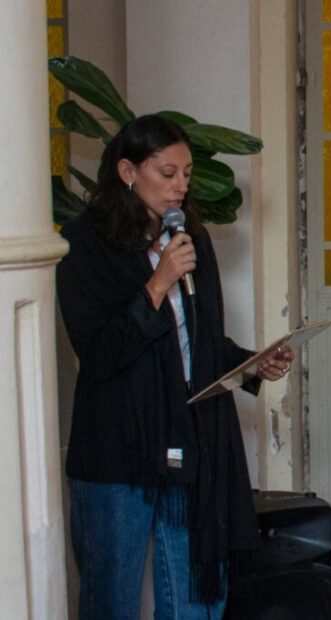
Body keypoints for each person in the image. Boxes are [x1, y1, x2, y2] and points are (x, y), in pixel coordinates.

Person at [57, 114, 295, 619]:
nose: (180, 186)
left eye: (186, 174)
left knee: (190, 595)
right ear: (128, 172)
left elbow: (200, 344)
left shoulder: (191, 238)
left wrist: (254, 365)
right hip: (117, 449)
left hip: (186, 438)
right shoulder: (83, 244)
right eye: (167, 173)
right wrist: (158, 283)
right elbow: (100, 355)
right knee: (110, 599)